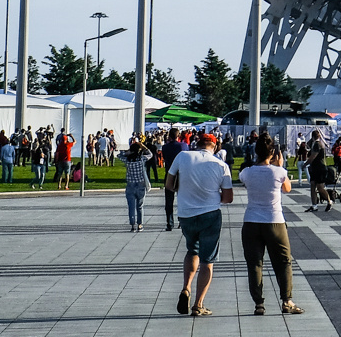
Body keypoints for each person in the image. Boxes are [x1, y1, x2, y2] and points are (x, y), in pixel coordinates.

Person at [167, 131, 234, 317]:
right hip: (210, 214)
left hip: (186, 214)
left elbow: (169, 184)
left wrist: (185, 191)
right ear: (215, 146)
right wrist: (211, 195)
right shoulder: (221, 165)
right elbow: (228, 198)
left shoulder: (183, 156)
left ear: (198, 143)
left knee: (192, 250)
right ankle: (198, 304)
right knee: (208, 260)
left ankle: (186, 288)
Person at [240, 137, 303, 316]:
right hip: (275, 221)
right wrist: (280, 165)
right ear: (273, 153)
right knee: (283, 262)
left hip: (251, 221)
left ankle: (259, 303)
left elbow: (245, 180)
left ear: (255, 152)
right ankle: (286, 301)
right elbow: (287, 189)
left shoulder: (247, 172)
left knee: (255, 264)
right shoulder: (279, 172)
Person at [123, 139, 151, 232]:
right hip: (140, 184)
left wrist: (128, 152)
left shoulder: (127, 160)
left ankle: (132, 225)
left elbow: (119, 155)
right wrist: (143, 146)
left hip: (130, 184)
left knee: (131, 206)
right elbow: (150, 154)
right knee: (140, 206)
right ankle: (140, 224)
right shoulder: (142, 159)